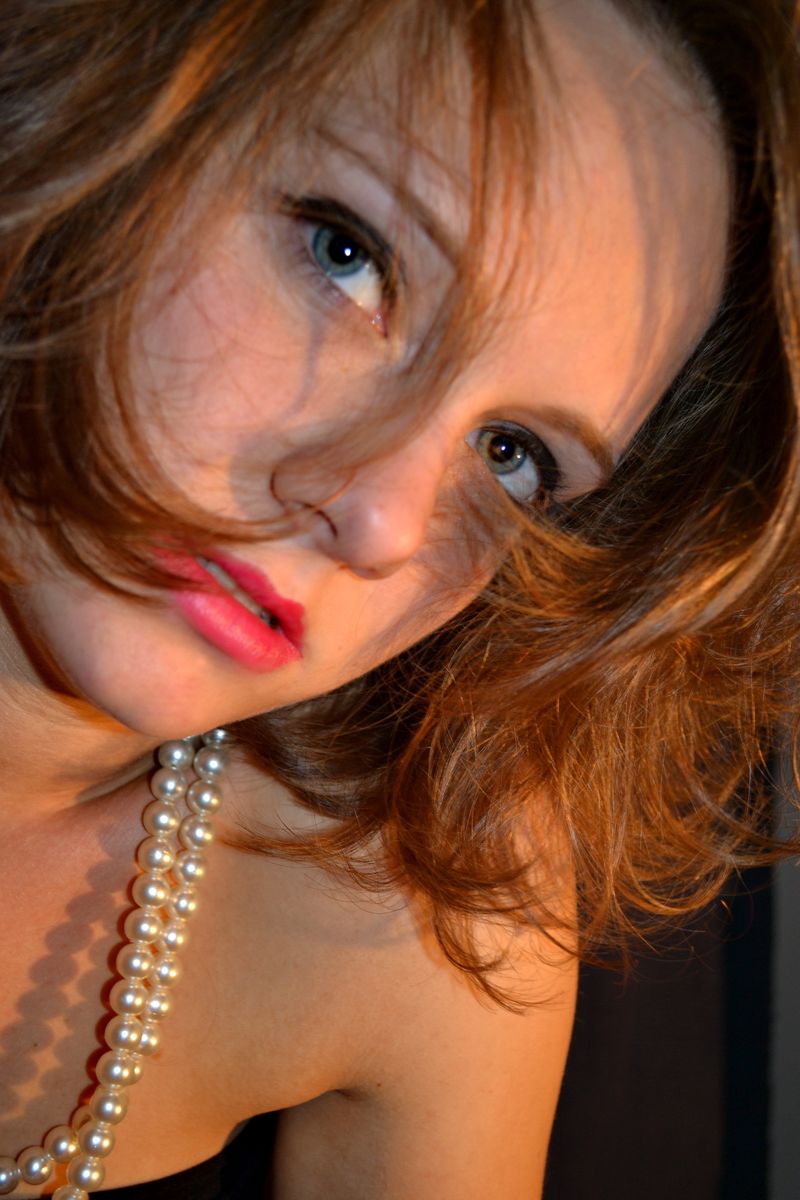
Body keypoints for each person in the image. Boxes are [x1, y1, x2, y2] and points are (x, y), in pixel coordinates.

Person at [0, 0, 796, 1196]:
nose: (384, 522)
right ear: (94, 103)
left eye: (511, 454)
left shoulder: (409, 906)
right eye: (348, 256)